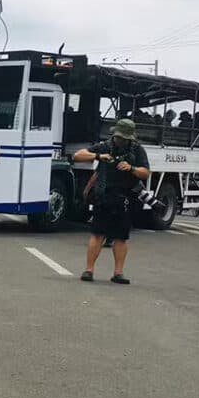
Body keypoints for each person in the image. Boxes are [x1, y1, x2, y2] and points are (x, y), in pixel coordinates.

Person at [72, 119, 150, 285]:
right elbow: (78, 156)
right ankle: (89, 270)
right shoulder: (104, 146)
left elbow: (145, 173)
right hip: (104, 196)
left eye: (124, 138)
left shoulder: (137, 150)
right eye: (119, 137)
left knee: (121, 237)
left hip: (125, 198)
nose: (120, 140)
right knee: (97, 234)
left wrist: (131, 168)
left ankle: (118, 273)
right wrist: (99, 156)